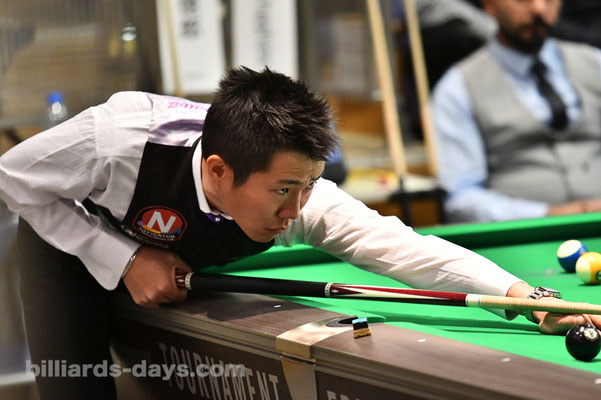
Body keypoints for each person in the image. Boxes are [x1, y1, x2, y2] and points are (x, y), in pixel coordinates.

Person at [0, 67, 597, 399]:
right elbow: (12, 179)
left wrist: (526, 296)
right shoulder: (115, 142)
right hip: (69, 247)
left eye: (310, 184)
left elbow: (401, 247)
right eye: (285, 190)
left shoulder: (301, 196)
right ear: (218, 171)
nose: (298, 208)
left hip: (178, 250)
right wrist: (124, 257)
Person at [431, 0, 601, 223]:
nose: (538, 8)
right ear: (490, 5)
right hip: (525, 234)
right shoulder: (457, 88)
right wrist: (545, 215)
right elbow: (461, 197)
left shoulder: (595, 63)